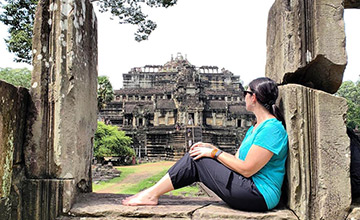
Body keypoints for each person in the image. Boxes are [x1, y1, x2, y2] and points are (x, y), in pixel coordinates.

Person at [122, 77, 288, 212]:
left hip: (259, 195)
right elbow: (237, 162)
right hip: (248, 188)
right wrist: (211, 149)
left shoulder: (271, 128)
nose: (243, 96)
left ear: (254, 97)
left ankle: (151, 194)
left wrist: (214, 153)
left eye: (246, 92)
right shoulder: (255, 127)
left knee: (196, 159)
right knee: (199, 152)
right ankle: (151, 193)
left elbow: (247, 169)